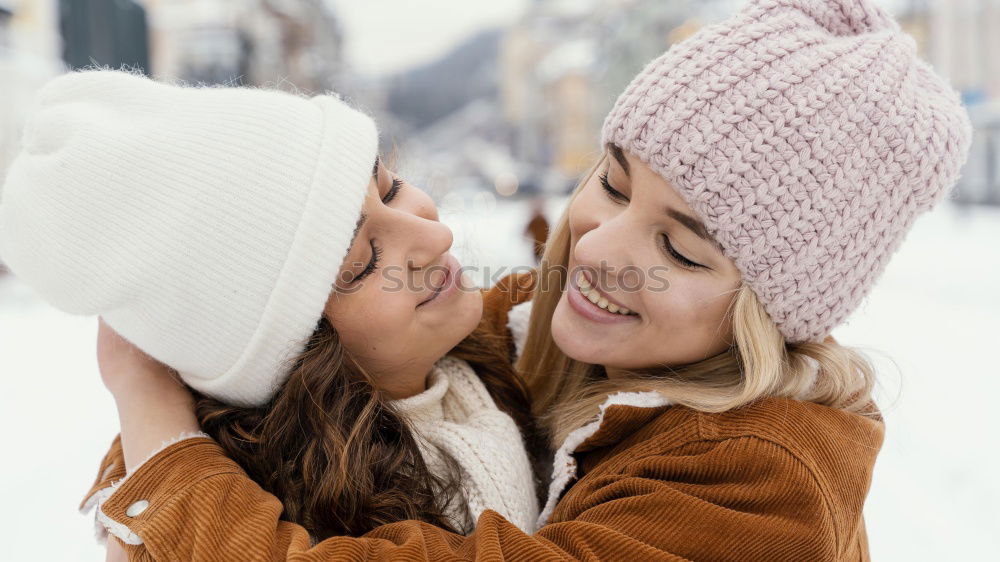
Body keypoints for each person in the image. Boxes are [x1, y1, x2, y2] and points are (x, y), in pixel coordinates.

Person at [68, 0, 973, 559]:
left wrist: (160, 445)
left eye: (682, 250)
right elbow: (260, 355)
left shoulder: (759, 486)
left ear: (777, 311)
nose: (599, 249)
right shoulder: (541, 330)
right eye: (612, 182)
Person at [0, 68, 540, 547]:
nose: (435, 231)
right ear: (301, 359)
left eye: (391, 187)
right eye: (363, 262)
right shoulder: (303, 523)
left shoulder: (505, 356)